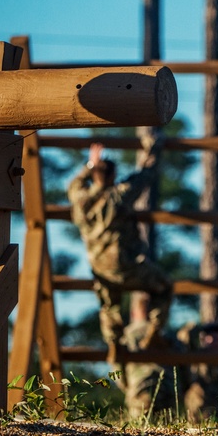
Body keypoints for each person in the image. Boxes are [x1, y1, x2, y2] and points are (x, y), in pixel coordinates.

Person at [68, 134, 172, 364]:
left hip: (99, 268)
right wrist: (152, 146)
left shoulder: (81, 200)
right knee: (164, 287)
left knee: (109, 307)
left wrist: (90, 165)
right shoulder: (120, 196)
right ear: (113, 176)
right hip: (126, 265)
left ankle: (114, 343)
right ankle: (154, 331)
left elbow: (74, 185)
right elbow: (147, 174)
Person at [121, 292, 175, 421]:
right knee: (170, 432)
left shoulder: (129, 334)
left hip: (138, 391)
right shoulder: (168, 334)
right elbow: (185, 367)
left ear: (134, 311)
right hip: (168, 390)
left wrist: (127, 387)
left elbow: (117, 368)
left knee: (137, 435)